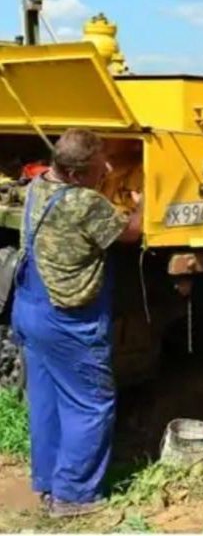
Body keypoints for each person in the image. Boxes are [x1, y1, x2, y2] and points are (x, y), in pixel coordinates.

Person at [11, 128, 142, 519]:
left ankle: (50, 483)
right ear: (74, 175)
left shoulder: (36, 187)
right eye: (97, 167)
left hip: (30, 306)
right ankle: (74, 497)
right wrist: (142, 204)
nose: (105, 169)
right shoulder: (86, 204)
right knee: (90, 403)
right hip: (68, 318)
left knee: (47, 400)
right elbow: (131, 234)